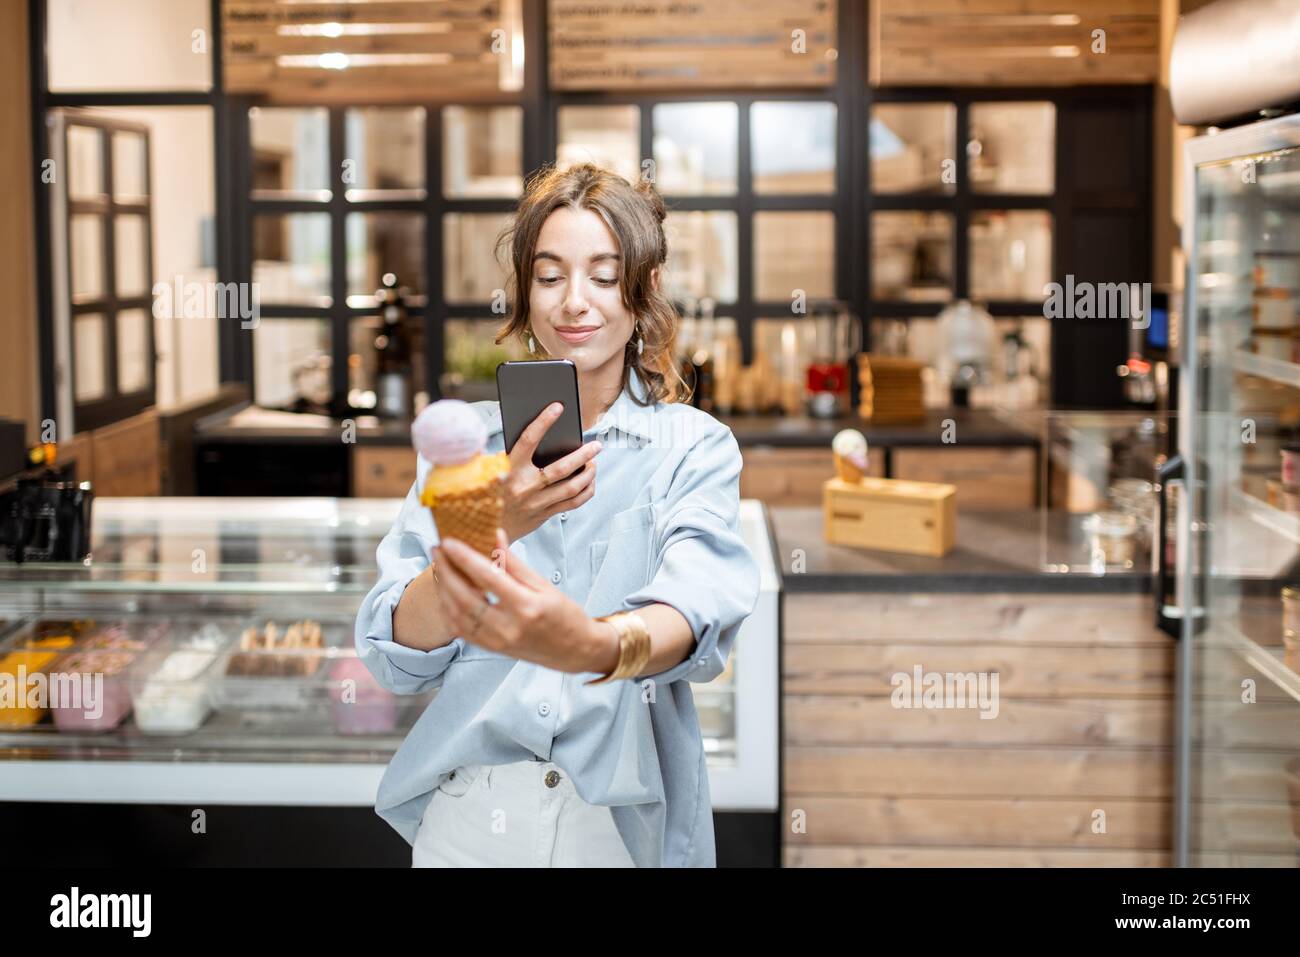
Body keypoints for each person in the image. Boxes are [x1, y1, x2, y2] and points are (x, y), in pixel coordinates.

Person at [354, 162, 761, 867]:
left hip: (613, 829)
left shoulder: (692, 448)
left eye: (604, 276)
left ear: (646, 289)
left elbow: (696, 610)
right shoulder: (462, 451)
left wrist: (595, 647)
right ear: (524, 290)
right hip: (468, 820)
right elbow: (393, 651)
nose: (575, 302)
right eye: (549, 276)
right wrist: (489, 527)